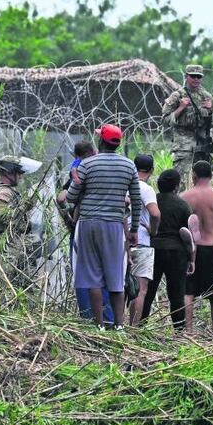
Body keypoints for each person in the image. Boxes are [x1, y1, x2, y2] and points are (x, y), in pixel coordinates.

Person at [65, 124, 142, 328]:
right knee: (115, 275)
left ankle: (99, 325)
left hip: (89, 224)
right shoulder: (129, 166)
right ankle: (118, 325)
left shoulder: (87, 164)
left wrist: (76, 181)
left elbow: (71, 198)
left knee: (93, 277)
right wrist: (134, 230)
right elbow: (135, 199)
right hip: (114, 225)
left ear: (101, 141)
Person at [138, 169, 194, 329]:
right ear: (176, 186)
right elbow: (187, 236)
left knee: (147, 291)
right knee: (177, 293)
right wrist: (191, 258)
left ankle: (140, 326)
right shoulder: (183, 205)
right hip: (177, 254)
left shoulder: (153, 201)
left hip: (153, 250)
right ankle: (179, 330)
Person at [181, 160, 213, 333]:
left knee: (188, 293)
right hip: (211, 250)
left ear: (193, 176)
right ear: (211, 176)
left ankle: (187, 333)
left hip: (191, 251)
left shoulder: (184, 197)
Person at [0, 155, 42, 284]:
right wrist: (24, 207)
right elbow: (3, 216)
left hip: (13, 245)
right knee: (5, 285)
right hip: (5, 247)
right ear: (9, 172)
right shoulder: (3, 192)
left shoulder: (9, 191)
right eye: (18, 173)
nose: (20, 176)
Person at [161, 64, 213, 182]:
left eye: (199, 77)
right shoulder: (177, 96)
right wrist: (180, 108)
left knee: (201, 181)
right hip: (183, 144)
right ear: (186, 76)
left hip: (202, 144)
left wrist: (209, 111)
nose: (196, 79)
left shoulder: (207, 97)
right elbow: (165, 120)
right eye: (193, 76)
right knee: (182, 180)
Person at [128, 154, 161, 325]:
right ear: (151, 171)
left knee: (118, 286)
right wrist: (153, 230)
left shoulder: (124, 184)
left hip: (121, 240)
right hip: (141, 240)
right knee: (140, 289)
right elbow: (155, 213)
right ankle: (132, 327)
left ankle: (116, 324)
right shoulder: (146, 189)